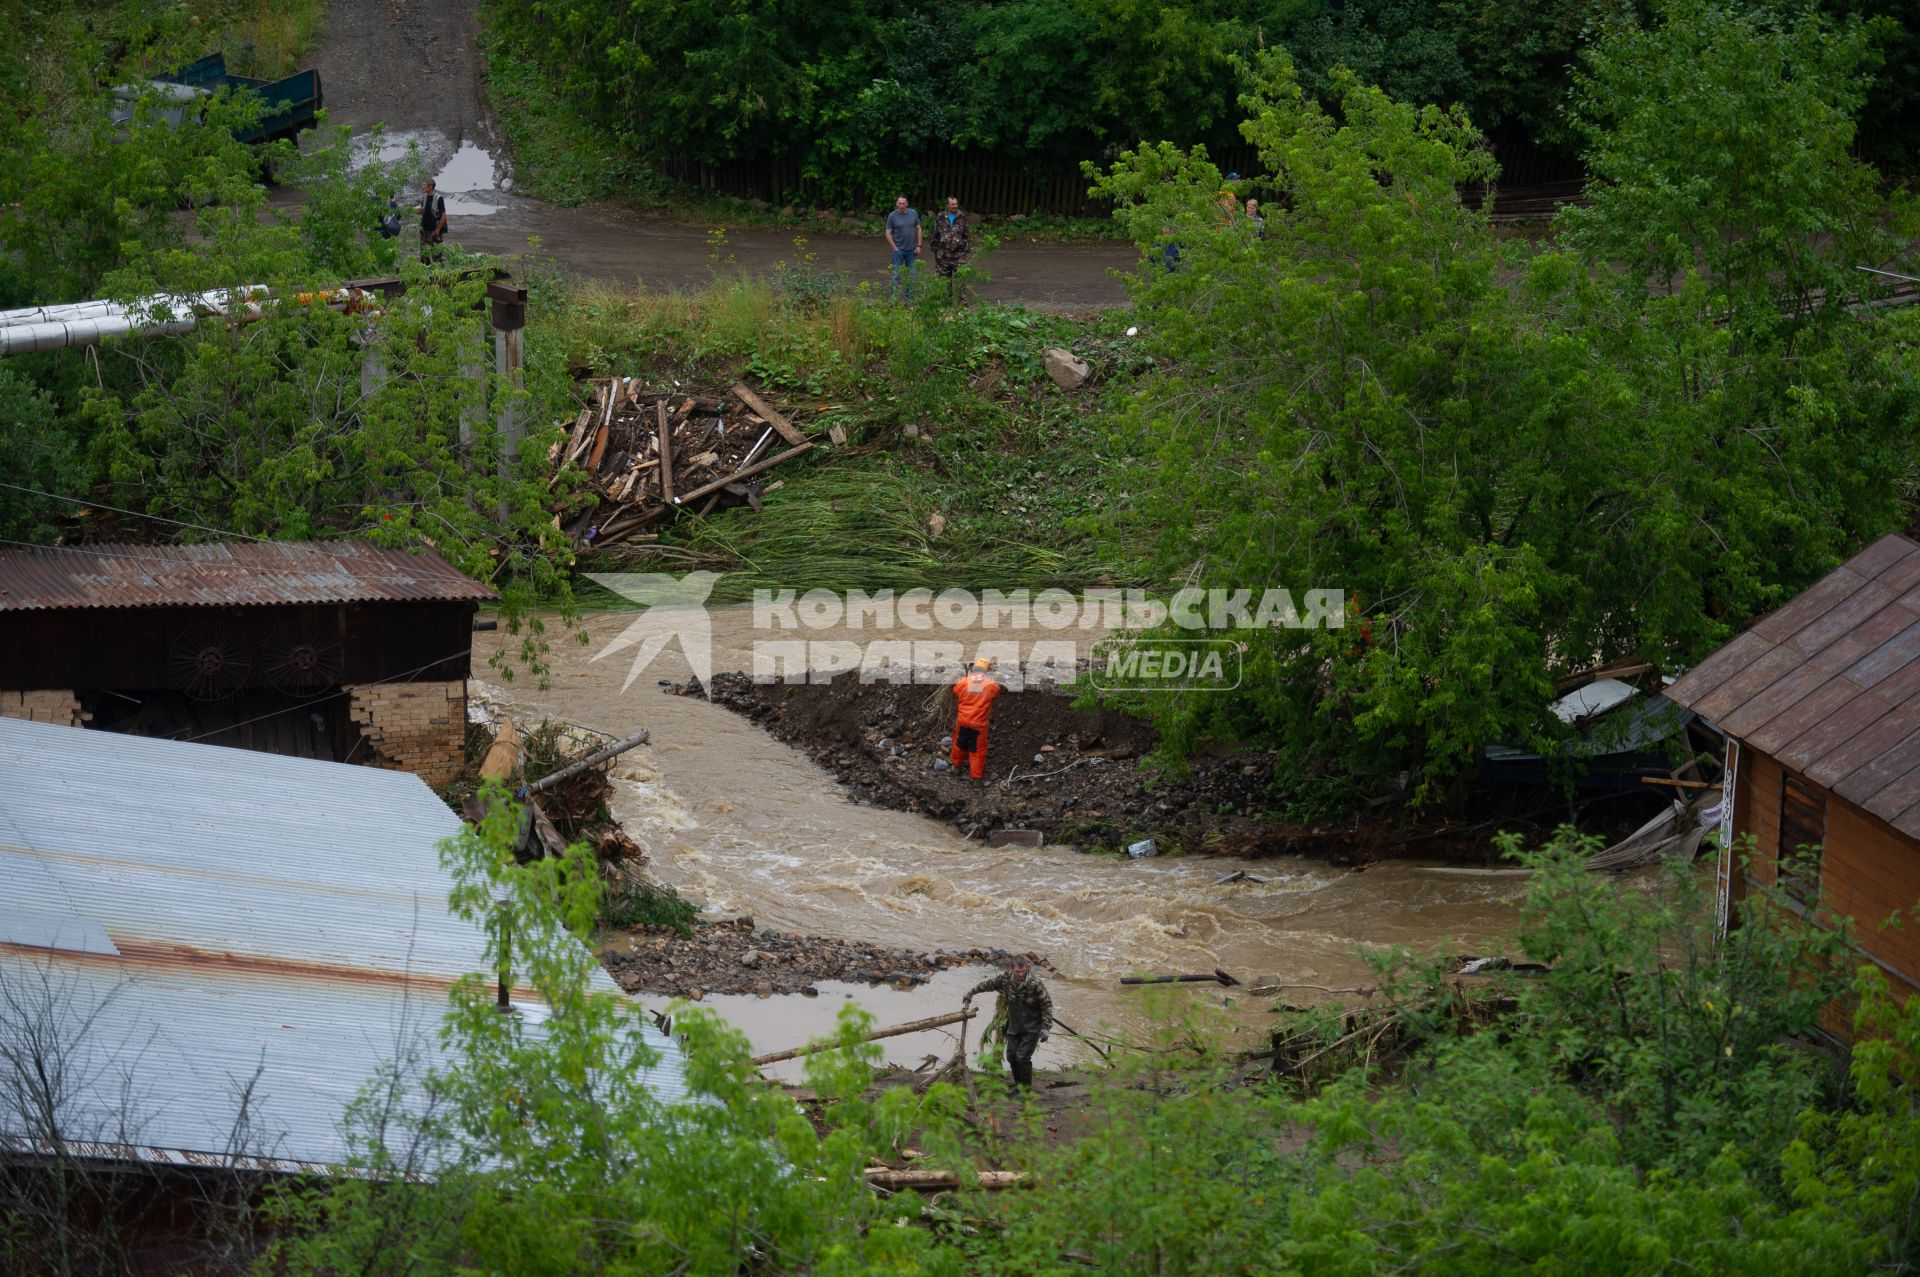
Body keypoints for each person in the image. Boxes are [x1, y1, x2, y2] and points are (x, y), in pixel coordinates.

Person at [962, 959, 1053, 1092]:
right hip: (1014, 1026)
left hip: (1031, 1027)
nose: (1021, 974)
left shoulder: (1035, 984)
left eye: (1023, 971)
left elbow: (1047, 1004)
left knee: (1022, 1057)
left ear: (1026, 969)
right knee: (1011, 1056)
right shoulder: (1006, 980)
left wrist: (1046, 1028)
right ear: (1011, 968)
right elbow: (988, 984)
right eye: (1017, 971)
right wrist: (971, 993)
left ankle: (1026, 1090)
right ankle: (1018, 1085)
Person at [950, 655, 1000, 781]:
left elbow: (956, 691)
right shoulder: (991, 685)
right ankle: (976, 778)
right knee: (977, 751)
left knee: (959, 744)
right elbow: (996, 692)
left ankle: (956, 767)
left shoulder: (963, 682)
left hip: (963, 721)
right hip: (978, 725)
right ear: (985, 671)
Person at [929, 195, 972, 301]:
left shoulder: (962, 216)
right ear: (947, 205)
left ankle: (961, 307)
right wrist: (936, 251)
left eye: (956, 204)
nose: (954, 206)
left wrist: (965, 251)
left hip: (958, 255)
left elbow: (966, 235)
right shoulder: (940, 217)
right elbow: (935, 235)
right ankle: (945, 304)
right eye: (952, 204)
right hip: (943, 255)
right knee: (944, 281)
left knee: (960, 280)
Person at [885, 194, 922, 302]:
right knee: (895, 277)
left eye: (903, 203)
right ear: (897, 204)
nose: (901, 205)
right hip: (898, 251)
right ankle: (893, 301)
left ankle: (909, 300)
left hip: (912, 251)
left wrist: (919, 245)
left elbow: (919, 229)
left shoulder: (913, 213)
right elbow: (888, 233)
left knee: (911, 277)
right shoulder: (892, 216)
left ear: (907, 204)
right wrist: (895, 248)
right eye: (899, 203)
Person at [418, 178, 447, 262]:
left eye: (424, 185)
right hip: (424, 231)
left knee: (437, 257)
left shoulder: (439, 198)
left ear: (430, 186)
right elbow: (422, 210)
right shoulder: (424, 197)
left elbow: (444, 216)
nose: (422, 187)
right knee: (424, 258)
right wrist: (409, 210)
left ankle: (438, 274)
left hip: (434, 232)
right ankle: (425, 273)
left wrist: (437, 230)